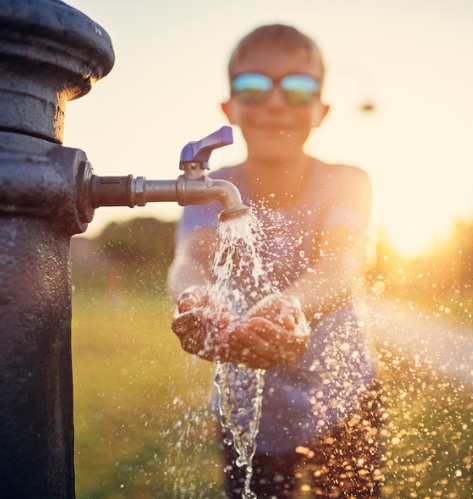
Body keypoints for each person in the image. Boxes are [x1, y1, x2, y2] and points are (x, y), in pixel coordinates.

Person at [168, 24, 383, 498]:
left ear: (322, 110)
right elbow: (192, 259)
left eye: (299, 87)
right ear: (230, 108)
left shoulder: (346, 181)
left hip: (345, 396)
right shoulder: (208, 189)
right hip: (249, 408)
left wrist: (289, 305)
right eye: (253, 86)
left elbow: (340, 265)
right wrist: (195, 298)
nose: (276, 101)